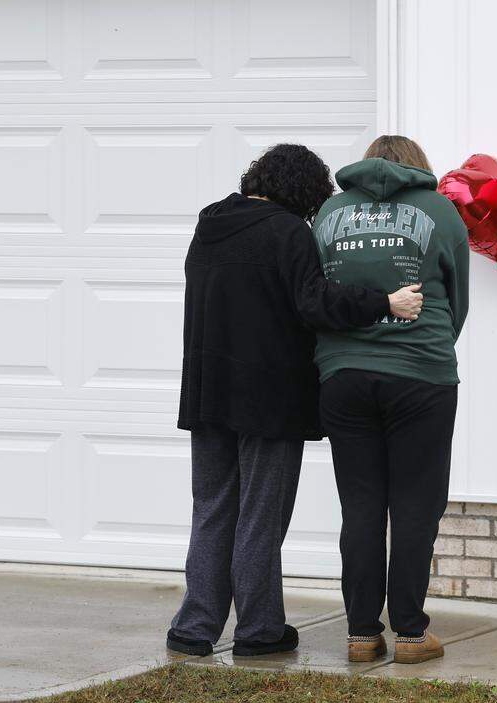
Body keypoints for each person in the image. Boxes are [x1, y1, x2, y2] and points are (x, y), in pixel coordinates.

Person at [168, 144, 424, 658]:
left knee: (213, 510)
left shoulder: (210, 225)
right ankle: (260, 630)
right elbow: (315, 303)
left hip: (208, 393)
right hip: (268, 400)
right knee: (261, 515)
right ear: (304, 191)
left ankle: (194, 628)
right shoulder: (287, 231)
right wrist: (384, 302)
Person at [312, 135, 469, 664]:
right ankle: (408, 632)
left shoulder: (330, 213)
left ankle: (360, 633)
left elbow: (318, 294)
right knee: (415, 506)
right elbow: (458, 295)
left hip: (343, 376)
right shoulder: (440, 211)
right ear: (419, 166)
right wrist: (431, 348)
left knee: (359, 505)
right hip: (421, 373)